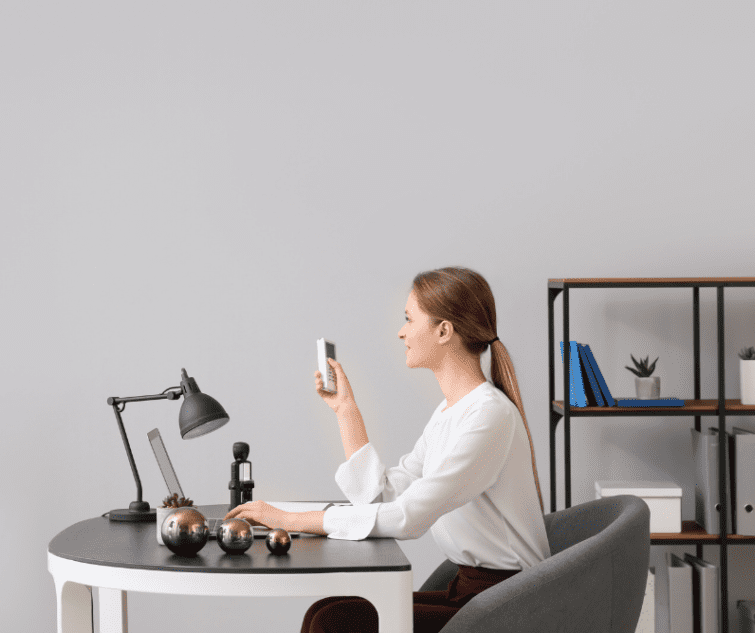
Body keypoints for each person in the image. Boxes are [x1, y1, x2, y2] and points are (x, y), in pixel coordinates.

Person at [225, 266, 549, 633]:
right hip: (473, 591)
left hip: (514, 605)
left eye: (410, 320)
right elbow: (380, 495)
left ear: (444, 331)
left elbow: (407, 517)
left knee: (336, 622)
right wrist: (347, 411)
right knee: (328, 610)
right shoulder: (449, 414)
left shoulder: (489, 416)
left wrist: (290, 520)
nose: (401, 331)